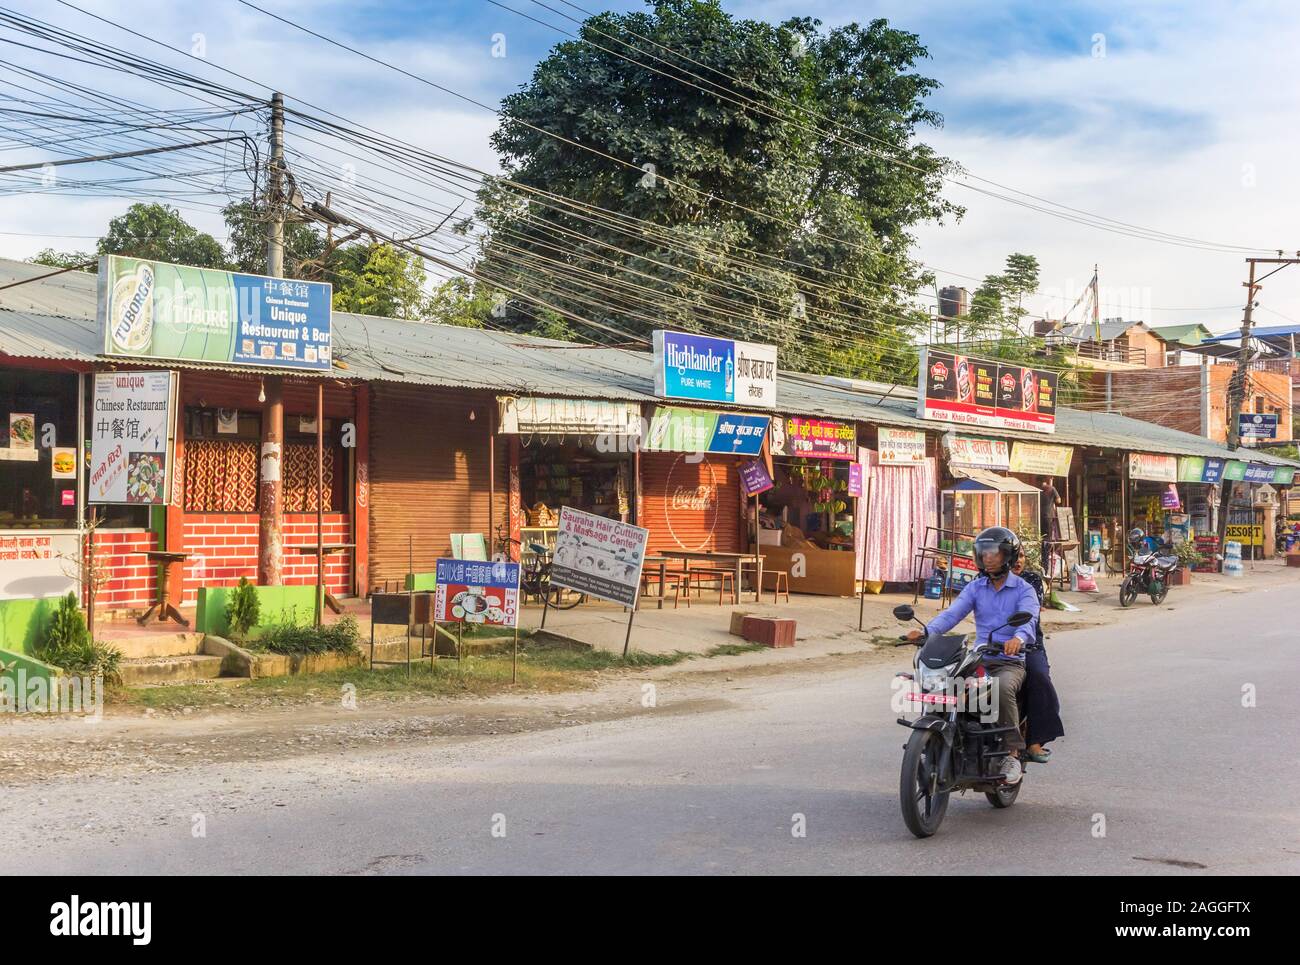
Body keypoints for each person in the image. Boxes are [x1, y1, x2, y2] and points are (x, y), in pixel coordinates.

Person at [907, 526, 1039, 785]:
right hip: (979, 658)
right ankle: (940, 738)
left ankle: (1011, 752)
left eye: (994, 552)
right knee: (946, 686)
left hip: (1008, 661)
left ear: (1008, 556)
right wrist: (926, 632)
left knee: (1000, 689)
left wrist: (1017, 639)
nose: (988, 557)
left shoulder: (1024, 589)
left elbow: (1029, 620)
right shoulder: (976, 588)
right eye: (984, 552)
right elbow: (952, 614)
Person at [1012, 556, 1065, 762]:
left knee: (1038, 677)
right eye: (1013, 557)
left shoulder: (1030, 581)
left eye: (1022, 556)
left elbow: (1030, 613)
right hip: (990, 646)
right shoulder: (983, 581)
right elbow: (956, 611)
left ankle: (1034, 740)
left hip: (1028, 645)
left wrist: (1019, 637)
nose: (1018, 561)